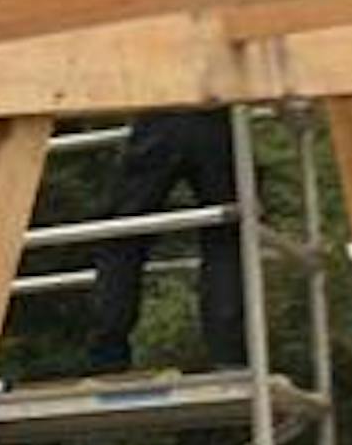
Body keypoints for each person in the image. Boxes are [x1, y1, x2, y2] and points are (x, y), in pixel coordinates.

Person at [83, 106, 245, 373]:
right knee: (226, 236)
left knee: (123, 234)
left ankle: (107, 353)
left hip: (160, 109)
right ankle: (229, 352)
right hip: (216, 113)